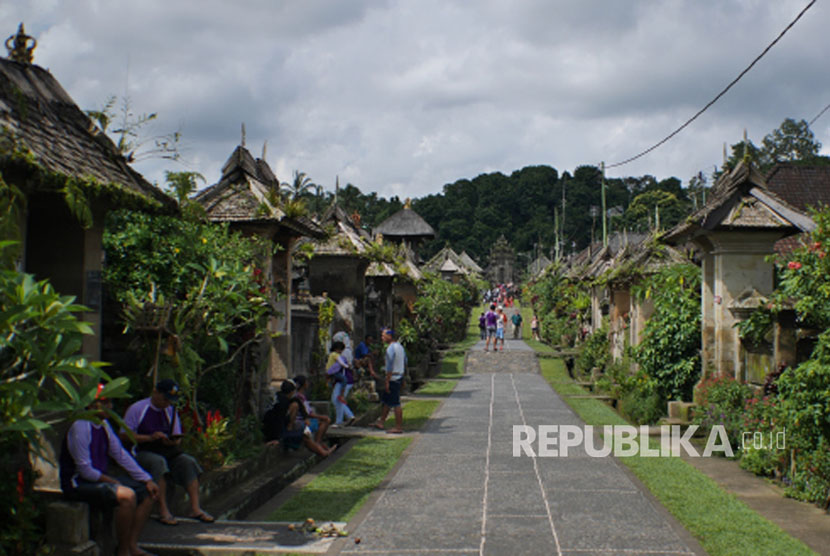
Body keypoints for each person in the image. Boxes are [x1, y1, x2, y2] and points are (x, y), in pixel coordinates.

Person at [60, 385, 160, 556]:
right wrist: (110, 481)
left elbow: (120, 454)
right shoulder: (81, 426)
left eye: (110, 402)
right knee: (127, 496)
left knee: (149, 492)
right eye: (104, 402)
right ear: (91, 404)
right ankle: (122, 551)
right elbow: (84, 469)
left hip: (99, 480)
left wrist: (146, 478)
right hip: (78, 483)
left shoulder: (104, 425)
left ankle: (131, 545)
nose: (110, 407)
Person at [121, 379, 213, 526]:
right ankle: (163, 510)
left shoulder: (170, 411)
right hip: (141, 451)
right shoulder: (138, 409)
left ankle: (195, 508)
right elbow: (124, 436)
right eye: (164, 399)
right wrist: (149, 438)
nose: (166, 403)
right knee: (159, 463)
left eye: (169, 400)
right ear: (155, 393)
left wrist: (172, 441)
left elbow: (177, 435)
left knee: (187, 462)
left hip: (166, 451)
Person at [263, 379, 334, 457]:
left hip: (279, 429)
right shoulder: (282, 404)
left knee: (305, 432)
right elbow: (277, 421)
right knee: (305, 437)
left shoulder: (281, 396)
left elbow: (297, 402)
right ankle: (323, 453)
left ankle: (321, 449)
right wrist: (275, 438)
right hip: (277, 433)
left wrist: (305, 417)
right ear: (291, 392)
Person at [372, 328, 406, 434]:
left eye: (383, 335)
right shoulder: (400, 347)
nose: (382, 337)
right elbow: (405, 362)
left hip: (393, 378)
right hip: (399, 375)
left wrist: (387, 381)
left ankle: (398, 427)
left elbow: (390, 366)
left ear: (389, 336)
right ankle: (381, 421)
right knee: (387, 401)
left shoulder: (391, 348)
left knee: (396, 403)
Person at [293, 375, 331, 444]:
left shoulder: (300, 396)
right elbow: (308, 413)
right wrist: (321, 416)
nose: (307, 383)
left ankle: (319, 442)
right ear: (303, 384)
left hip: (303, 420)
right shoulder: (299, 397)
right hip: (301, 421)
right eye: (306, 382)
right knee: (325, 421)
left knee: (324, 420)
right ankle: (318, 442)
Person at [327, 341, 356, 426]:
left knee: (337, 400)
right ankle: (347, 417)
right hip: (346, 380)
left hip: (344, 381)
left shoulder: (338, 357)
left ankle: (341, 420)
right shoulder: (345, 354)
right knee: (337, 399)